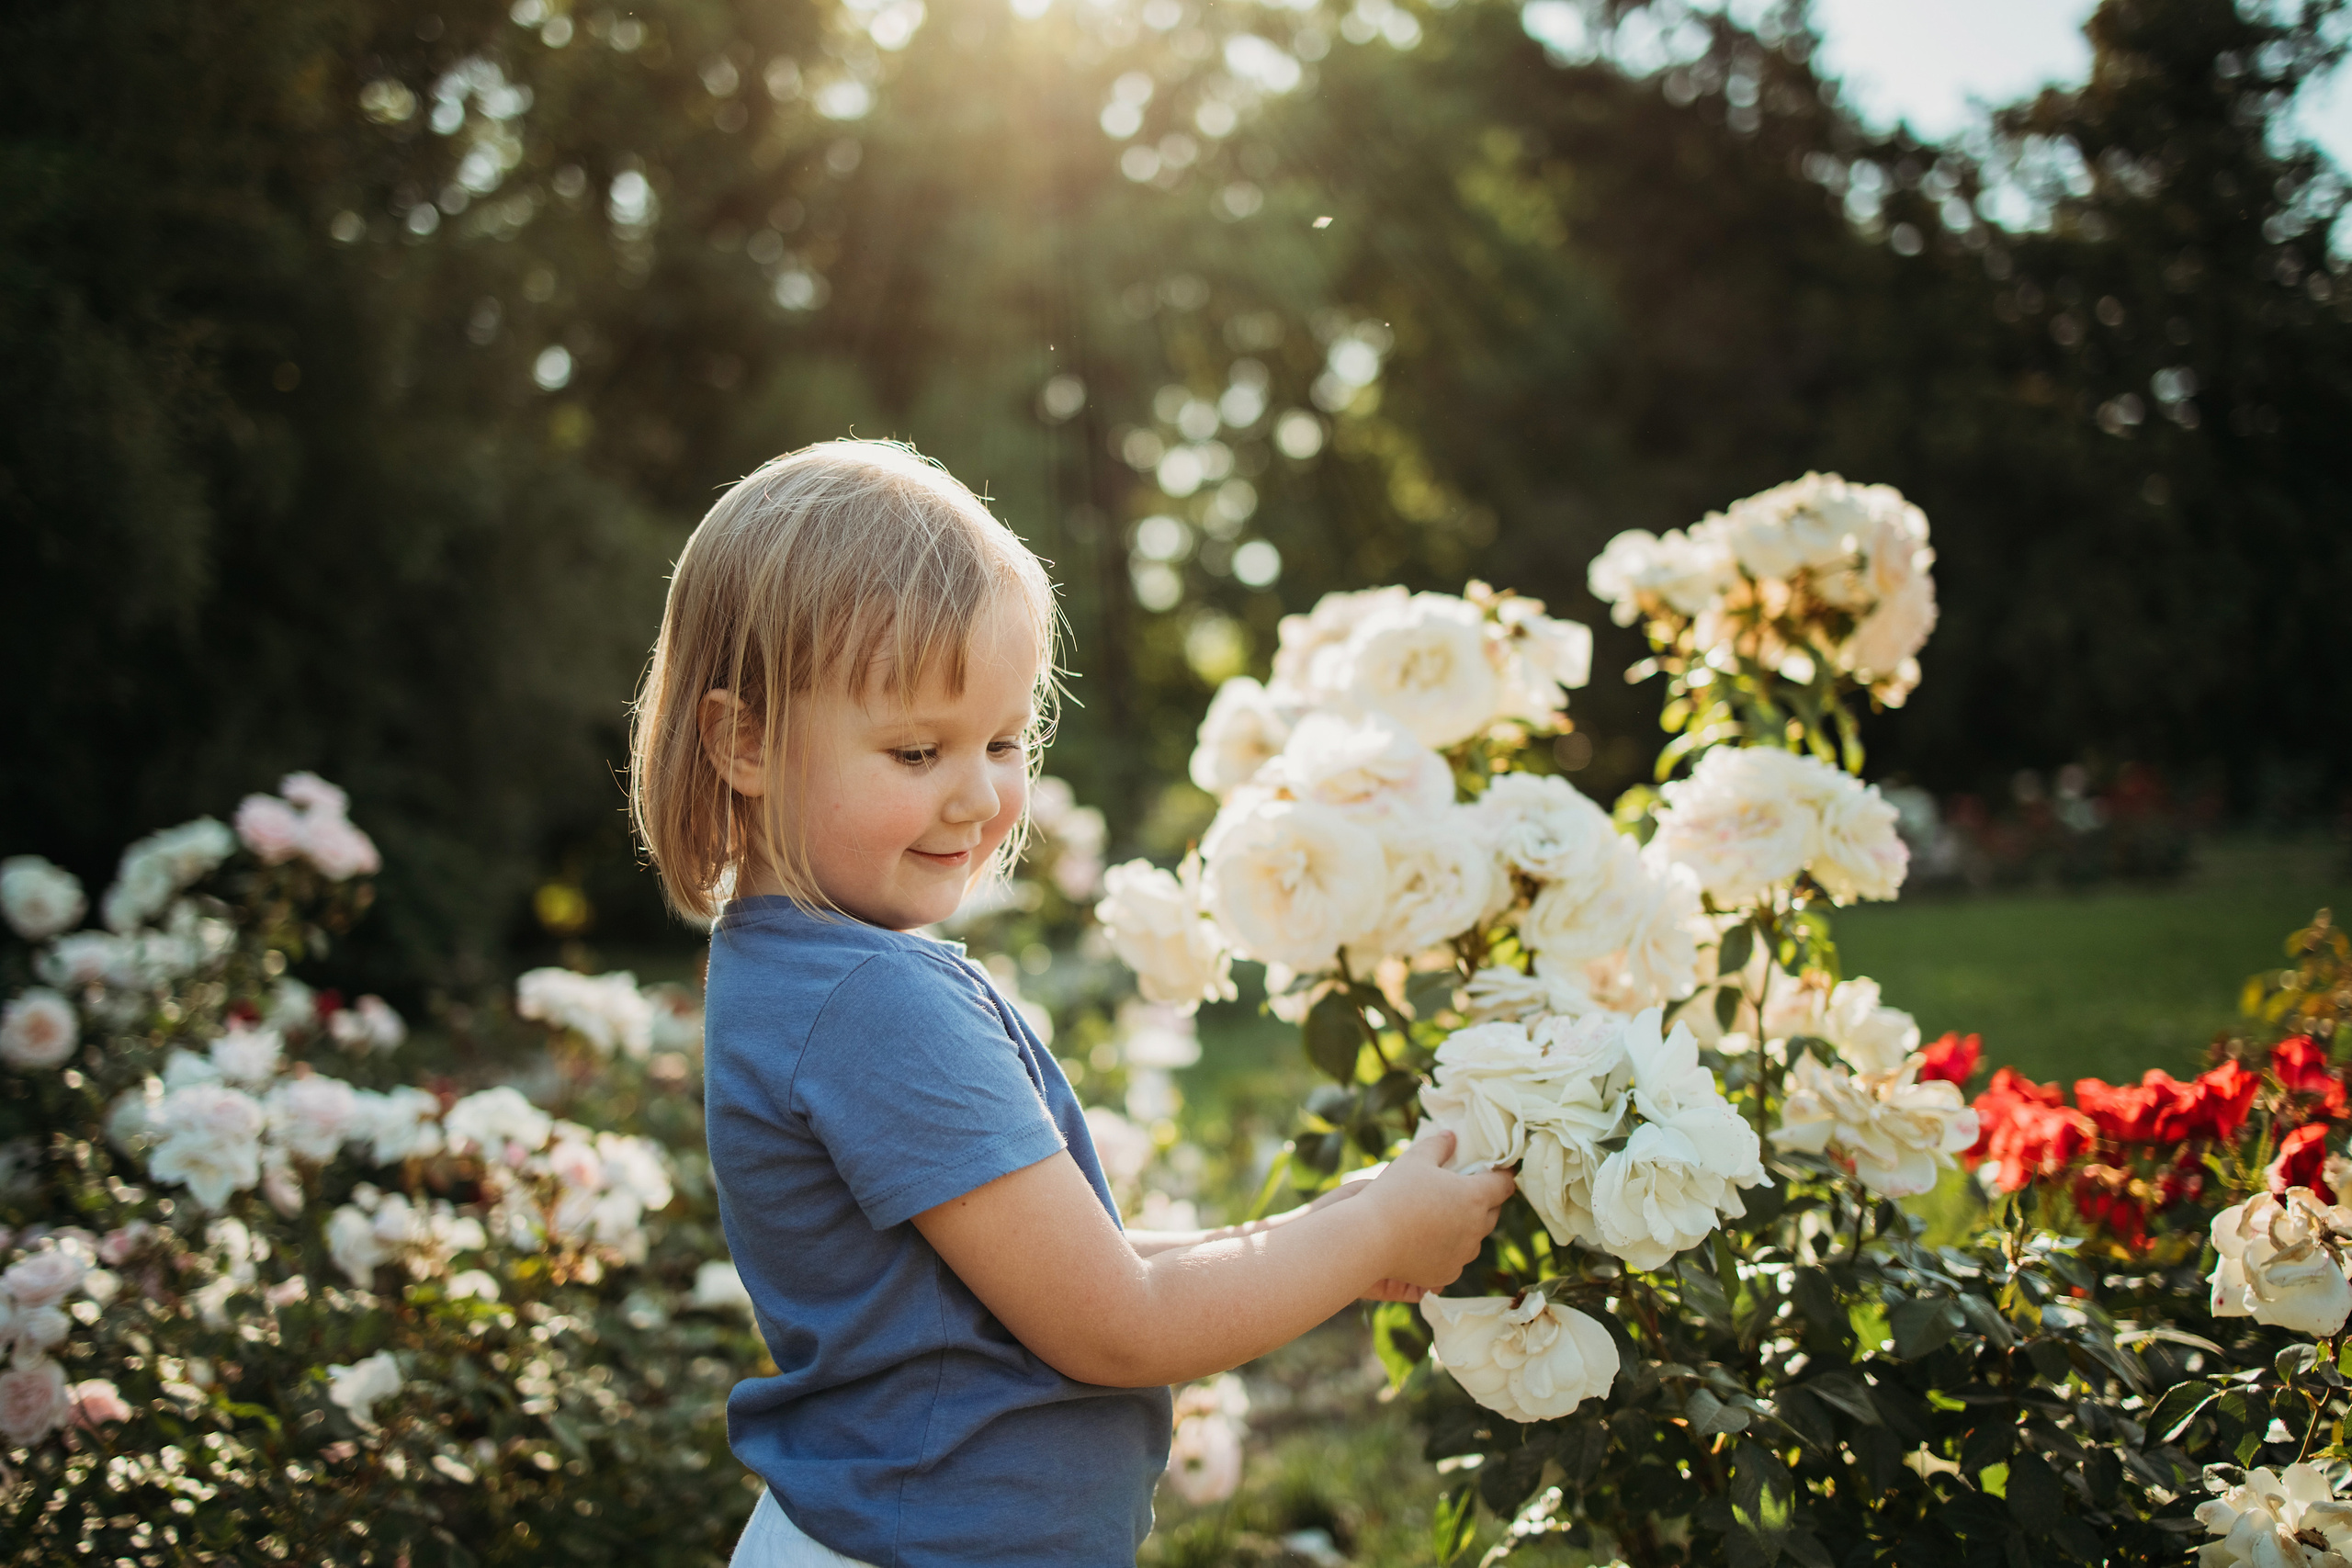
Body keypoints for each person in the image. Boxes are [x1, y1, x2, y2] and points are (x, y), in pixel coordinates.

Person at [628, 440, 1515, 1567]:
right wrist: (1374, 1229)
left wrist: (1322, 1236)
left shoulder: (790, 967)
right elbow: (1115, 1322)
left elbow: (1049, 1266)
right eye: (915, 750)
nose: (980, 793)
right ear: (742, 740)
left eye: (1003, 741)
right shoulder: (873, 1001)